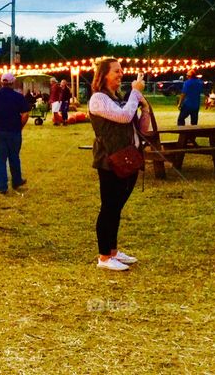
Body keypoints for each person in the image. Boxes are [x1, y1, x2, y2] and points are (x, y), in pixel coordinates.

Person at [88, 58, 153, 272]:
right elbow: (124, 117)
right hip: (109, 161)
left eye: (121, 70)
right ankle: (104, 257)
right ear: (104, 74)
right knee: (109, 207)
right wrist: (135, 92)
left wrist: (144, 107)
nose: (121, 74)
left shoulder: (119, 98)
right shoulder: (98, 99)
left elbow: (138, 126)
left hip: (128, 158)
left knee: (117, 208)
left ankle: (113, 252)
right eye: (116, 71)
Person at [0, 73, 31, 194]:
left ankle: (2, 186)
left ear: (1, 82)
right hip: (14, 131)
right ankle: (16, 180)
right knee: (14, 156)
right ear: (12, 82)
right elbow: (25, 114)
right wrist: (20, 126)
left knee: (0, 159)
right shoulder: (18, 97)